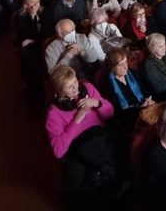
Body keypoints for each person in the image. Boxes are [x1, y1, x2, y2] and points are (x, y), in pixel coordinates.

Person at [44, 66, 120, 203]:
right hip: (79, 147)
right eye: (70, 87)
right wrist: (77, 120)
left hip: (100, 137)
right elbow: (58, 151)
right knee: (87, 186)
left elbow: (110, 114)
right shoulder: (53, 112)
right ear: (60, 91)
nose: (76, 89)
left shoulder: (87, 88)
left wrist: (97, 103)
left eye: (75, 82)